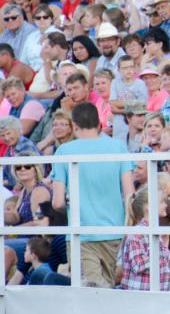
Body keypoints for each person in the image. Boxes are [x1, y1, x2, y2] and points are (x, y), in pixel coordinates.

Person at [50, 103, 135, 288]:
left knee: (88, 294)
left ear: (74, 124)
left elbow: (57, 202)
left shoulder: (64, 151)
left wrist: (73, 207)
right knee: (107, 289)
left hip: (80, 232)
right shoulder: (118, 146)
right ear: (99, 123)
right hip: (114, 230)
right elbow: (130, 194)